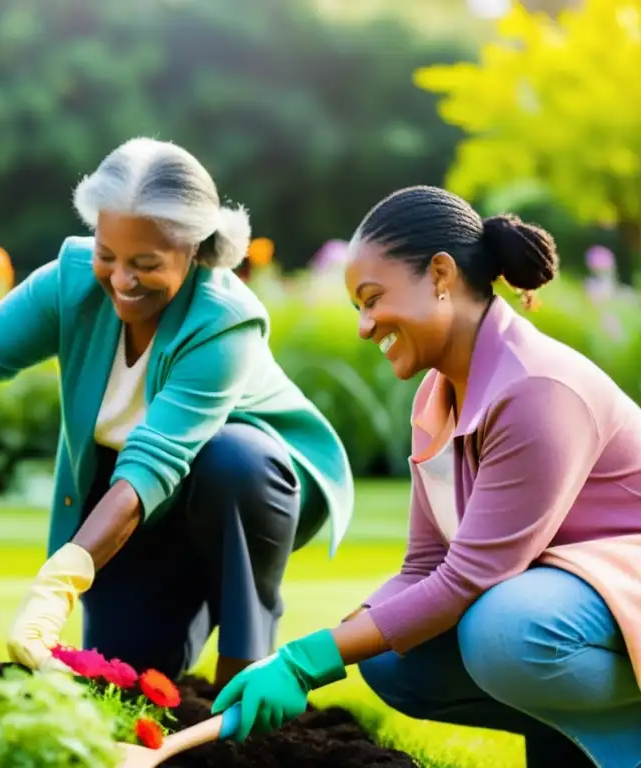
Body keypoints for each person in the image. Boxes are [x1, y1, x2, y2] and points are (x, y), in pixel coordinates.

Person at [0, 137, 355, 685]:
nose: (121, 279)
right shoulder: (72, 279)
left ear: (195, 249)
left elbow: (153, 463)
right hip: (136, 502)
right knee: (121, 677)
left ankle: (243, 678)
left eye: (146, 263)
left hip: (248, 488)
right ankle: (186, 595)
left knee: (232, 459)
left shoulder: (224, 320)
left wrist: (60, 580)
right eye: (107, 255)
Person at [211, 185, 641, 767]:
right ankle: (567, 740)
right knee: (392, 660)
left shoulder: (536, 388)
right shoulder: (437, 397)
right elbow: (423, 566)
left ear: (441, 274)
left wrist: (305, 659)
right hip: (565, 600)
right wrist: (347, 637)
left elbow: (469, 577)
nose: (365, 327)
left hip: (604, 593)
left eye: (372, 299)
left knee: (503, 632)